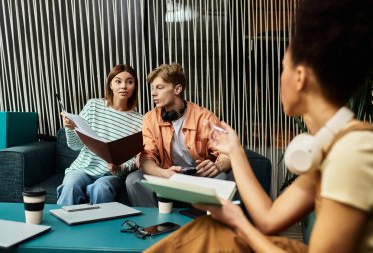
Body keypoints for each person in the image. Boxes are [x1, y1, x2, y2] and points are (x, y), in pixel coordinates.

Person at [144, 0, 373, 252]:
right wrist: (234, 149)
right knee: (205, 230)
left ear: (299, 78)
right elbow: (269, 218)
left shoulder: (353, 152)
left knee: (209, 237)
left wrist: (239, 223)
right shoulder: (330, 147)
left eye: (282, 69)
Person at [126, 63, 232, 207]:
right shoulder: (149, 119)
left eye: (159, 87)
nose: (153, 93)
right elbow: (145, 157)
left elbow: (227, 153)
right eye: (152, 88)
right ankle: (151, 227)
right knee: (133, 179)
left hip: (200, 176)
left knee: (227, 177)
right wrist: (162, 173)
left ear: (177, 89)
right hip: (166, 174)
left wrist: (218, 166)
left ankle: (208, 226)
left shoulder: (204, 117)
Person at [57, 64, 143, 205]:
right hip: (83, 169)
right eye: (118, 81)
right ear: (110, 85)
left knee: (100, 189)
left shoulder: (140, 120)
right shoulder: (93, 106)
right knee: (70, 185)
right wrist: (70, 128)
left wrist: (120, 167)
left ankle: (102, 227)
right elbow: (75, 146)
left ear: (135, 86)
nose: (123, 86)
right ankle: (63, 226)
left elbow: (136, 159)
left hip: (112, 175)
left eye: (129, 81)